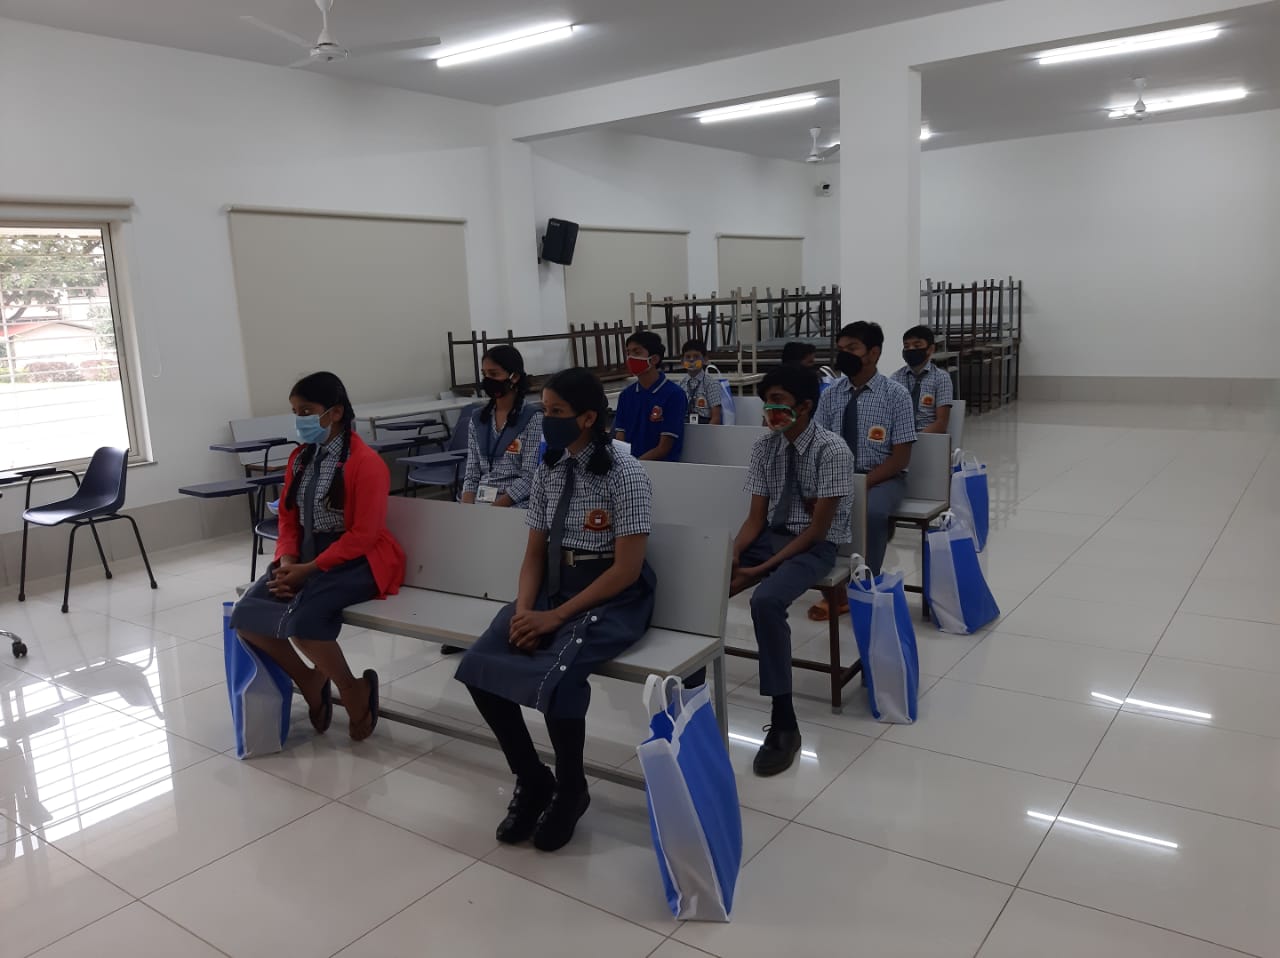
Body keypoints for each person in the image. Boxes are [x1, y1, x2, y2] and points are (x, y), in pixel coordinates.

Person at [455, 368, 656, 851]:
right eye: (544, 411)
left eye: (557, 413)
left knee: (561, 677)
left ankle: (572, 788)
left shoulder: (626, 475)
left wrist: (554, 618)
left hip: (610, 595)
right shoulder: (548, 469)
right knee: (480, 667)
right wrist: (525, 610)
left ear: (588, 418)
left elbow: (626, 570)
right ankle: (532, 777)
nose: (546, 420)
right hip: (552, 587)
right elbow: (533, 554)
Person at [231, 371, 405, 741]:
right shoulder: (300, 459)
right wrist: (289, 559)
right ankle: (310, 680)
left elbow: (364, 535)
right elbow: (289, 518)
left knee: (304, 621)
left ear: (336, 412)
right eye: (295, 411)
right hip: (308, 557)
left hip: (359, 559)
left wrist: (310, 569)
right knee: (247, 616)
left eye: (307, 411)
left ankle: (352, 687)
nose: (300, 420)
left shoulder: (365, 462)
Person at [730, 364, 852, 776]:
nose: (771, 410)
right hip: (770, 538)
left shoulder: (831, 450)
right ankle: (690, 693)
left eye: (780, 402)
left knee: (765, 600)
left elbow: (817, 531)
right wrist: (735, 552)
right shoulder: (765, 447)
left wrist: (761, 568)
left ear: (805, 405)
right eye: (767, 402)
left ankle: (784, 721)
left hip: (813, 547)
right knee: (703, 581)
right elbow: (754, 519)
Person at [809, 321, 916, 619]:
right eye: (840, 349)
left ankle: (867, 586)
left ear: (873, 353)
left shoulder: (895, 394)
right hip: (838, 476)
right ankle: (834, 590)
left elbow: (901, 458)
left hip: (884, 477)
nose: (844, 355)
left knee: (872, 513)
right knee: (810, 507)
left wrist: (862, 483)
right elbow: (819, 444)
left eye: (852, 349)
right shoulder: (831, 394)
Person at [461, 344, 544, 507]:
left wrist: (494, 511)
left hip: (517, 504)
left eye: (494, 374)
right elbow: (471, 473)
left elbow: (530, 477)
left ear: (514, 377)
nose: (487, 380)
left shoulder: (533, 418)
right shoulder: (478, 419)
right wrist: (467, 510)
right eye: (484, 374)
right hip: (481, 503)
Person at [613, 330, 687, 461]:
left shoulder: (674, 394)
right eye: (628, 353)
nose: (630, 358)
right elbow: (620, 436)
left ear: (654, 359)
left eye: (636, 352)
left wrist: (635, 466)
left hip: (662, 469)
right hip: (630, 467)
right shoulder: (626, 395)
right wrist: (625, 464)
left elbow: (663, 448)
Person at [890, 326, 953, 434]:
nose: (911, 349)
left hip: (928, 437)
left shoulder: (941, 378)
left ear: (931, 349)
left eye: (917, 345)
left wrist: (916, 440)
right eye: (906, 346)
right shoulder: (895, 378)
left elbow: (941, 423)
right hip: (900, 437)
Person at [679, 338, 723, 425]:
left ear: (705, 359)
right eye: (687, 357)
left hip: (705, 427)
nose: (691, 360)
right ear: (682, 361)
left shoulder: (711, 383)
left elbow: (716, 418)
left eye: (696, 356)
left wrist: (705, 436)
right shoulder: (681, 384)